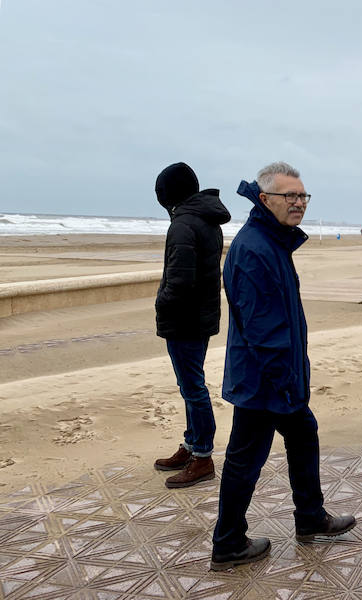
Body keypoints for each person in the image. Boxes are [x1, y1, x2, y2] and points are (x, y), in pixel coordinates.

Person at [210, 162, 356, 571]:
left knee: (303, 434)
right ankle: (227, 543)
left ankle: (309, 517)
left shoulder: (273, 241)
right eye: (289, 196)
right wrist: (285, 381)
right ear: (264, 199)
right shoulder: (255, 248)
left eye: (302, 196)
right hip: (265, 379)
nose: (298, 203)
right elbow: (262, 329)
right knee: (245, 459)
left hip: (276, 376)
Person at [153, 162, 231, 489]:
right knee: (190, 385)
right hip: (199, 317)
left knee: (193, 387)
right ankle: (191, 444)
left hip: (185, 320)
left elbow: (180, 281)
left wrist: (162, 302)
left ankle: (202, 457)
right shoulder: (205, 220)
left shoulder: (184, 224)